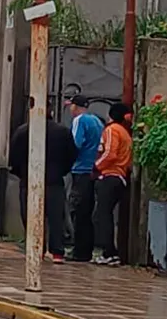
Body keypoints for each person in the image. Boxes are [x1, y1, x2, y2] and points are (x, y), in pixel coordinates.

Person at [8, 104, 77, 263]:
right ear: (51, 112)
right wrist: (61, 171)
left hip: (29, 180)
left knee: (30, 216)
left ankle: (36, 248)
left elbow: (14, 158)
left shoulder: (22, 131)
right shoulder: (62, 132)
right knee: (56, 218)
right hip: (54, 181)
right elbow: (72, 155)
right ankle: (57, 252)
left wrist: (23, 173)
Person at [93, 102, 133, 267]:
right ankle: (111, 252)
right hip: (120, 177)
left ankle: (108, 252)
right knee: (106, 214)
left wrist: (96, 166)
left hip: (110, 176)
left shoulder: (112, 130)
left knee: (102, 216)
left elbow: (110, 153)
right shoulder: (125, 133)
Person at [66, 95, 104, 262]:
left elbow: (75, 144)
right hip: (93, 170)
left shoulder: (79, 121)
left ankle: (79, 251)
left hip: (80, 169)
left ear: (75, 107)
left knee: (78, 210)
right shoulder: (97, 121)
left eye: (71, 106)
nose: (70, 109)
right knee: (87, 212)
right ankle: (86, 250)